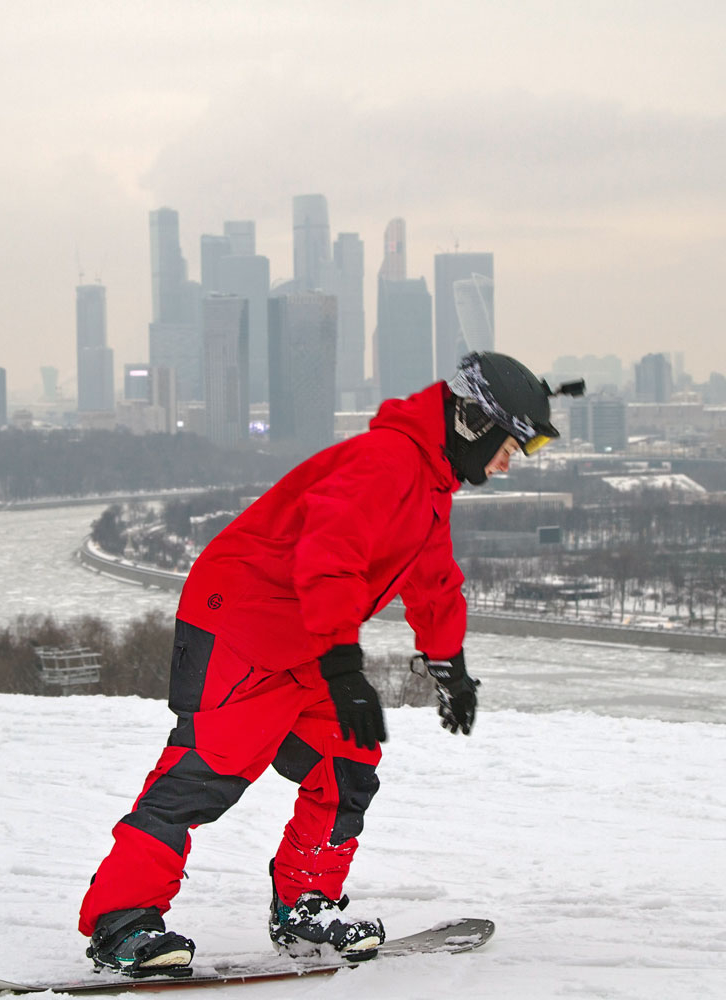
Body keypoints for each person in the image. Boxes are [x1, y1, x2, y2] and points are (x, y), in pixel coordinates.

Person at [78, 351, 584, 976]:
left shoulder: (427, 484)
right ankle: (121, 921)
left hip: (303, 638)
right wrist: (345, 669)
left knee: (346, 764)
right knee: (205, 775)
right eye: (513, 443)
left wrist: (449, 667)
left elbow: (433, 583)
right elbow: (328, 557)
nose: (513, 461)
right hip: (240, 623)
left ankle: (305, 908)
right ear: (476, 423)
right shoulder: (385, 463)